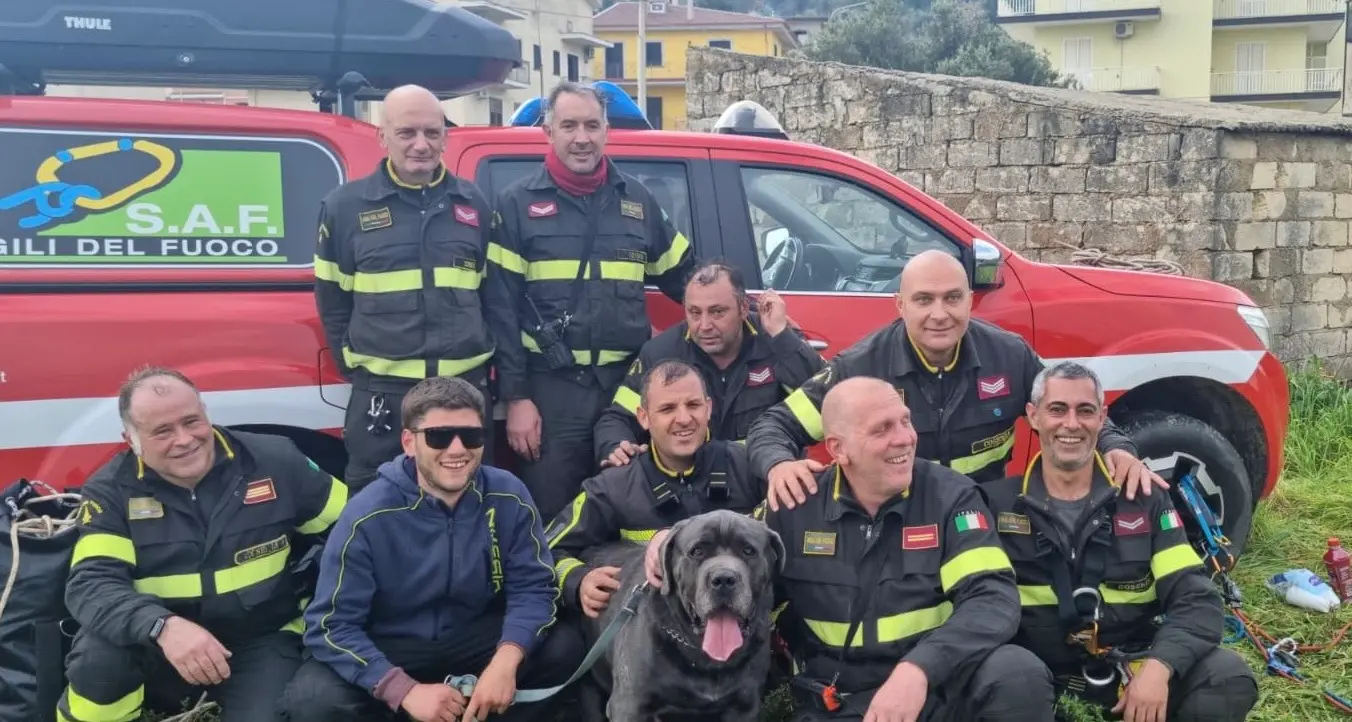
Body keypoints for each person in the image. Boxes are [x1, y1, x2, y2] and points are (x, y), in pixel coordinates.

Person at [693, 376, 1055, 721]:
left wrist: (920, 668)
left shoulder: (951, 497)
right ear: (838, 449)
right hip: (841, 699)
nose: (905, 439)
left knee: (1015, 674)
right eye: (882, 429)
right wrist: (667, 538)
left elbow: (992, 598)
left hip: (937, 688)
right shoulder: (796, 505)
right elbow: (726, 567)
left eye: (905, 421)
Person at [748, 249, 1162, 512]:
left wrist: (1118, 449)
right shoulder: (860, 366)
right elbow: (774, 426)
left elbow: (1071, 408)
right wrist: (779, 464)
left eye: (952, 298)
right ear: (900, 305)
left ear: (969, 299)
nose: (940, 314)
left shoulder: (1009, 355)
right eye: (924, 300)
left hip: (984, 510)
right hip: (897, 516)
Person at [280, 375, 583, 722]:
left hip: (472, 635)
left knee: (563, 648)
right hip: (390, 643)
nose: (457, 449)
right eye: (438, 436)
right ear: (409, 441)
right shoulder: (366, 515)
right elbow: (331, 626)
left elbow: (533, 588)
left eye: (471, 435)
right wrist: (403, 690)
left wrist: (506, 660)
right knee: (313, 700)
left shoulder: (508, 494)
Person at [57, 367, 348, 722]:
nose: (184, 439)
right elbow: (91, 584)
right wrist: (162, 626)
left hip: (260, 637)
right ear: (131, 438)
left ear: (206, 413)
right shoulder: (111, 490)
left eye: (191, 421)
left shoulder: (274, 461)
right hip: (155, 645)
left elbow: (354, 529)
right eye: (162, 431)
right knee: (98, 661)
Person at [981, 361, 1257, 722]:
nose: (1071, 424)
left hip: (1126, 671)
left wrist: (1160, 667)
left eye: (1085, 410)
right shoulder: (995, 504)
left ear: (1102, 418)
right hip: (1036, 676)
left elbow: (1197, 599)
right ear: (1033, 416)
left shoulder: (1144, 499)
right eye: (1057, 410)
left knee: (1228, 676)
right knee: (1007, 675)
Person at [486, 80, 697, 520]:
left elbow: (687, 278)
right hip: (551, 394)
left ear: (606, 130)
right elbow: (500, 311)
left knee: (635, 509)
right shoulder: (516, 205)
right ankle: (559, 589)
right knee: (553, 513)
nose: (581, 137)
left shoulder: (636, 200)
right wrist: (517, 399)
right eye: (568, 125)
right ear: (548, 131)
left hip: (625, 389)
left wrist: (746, 311)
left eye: (591, 125)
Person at [314, 84, 498, 491]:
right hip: (384, 396)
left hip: (463, 392)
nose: (421, 145)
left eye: (432, 133)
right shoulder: (345, 207)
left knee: (466, 500)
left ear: (445, 136)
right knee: (378, 504)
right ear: (383, 136)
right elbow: (332, 299)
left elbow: (493, 298)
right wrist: (362, 370)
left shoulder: (473, 204)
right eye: (407, 133)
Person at [544, 359, 763, 619]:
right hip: (651, 635)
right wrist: (578, 581)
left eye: (693, 405)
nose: (683, 419)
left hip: (744, 623)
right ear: (644, 417)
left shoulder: (749, 465)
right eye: (667, 408)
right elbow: (545, 550)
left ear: (708, 408)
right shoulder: (614, 486)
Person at [592, 260, 824, 469]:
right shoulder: (660, 353)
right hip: (689, 486)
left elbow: (823, 402)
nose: (704, 325)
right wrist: (616, 446)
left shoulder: (776, 339)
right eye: (694, 313)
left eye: (717, 312)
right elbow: (617, 418)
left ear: (743, 308)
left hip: (761, 478)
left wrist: (782, 337)